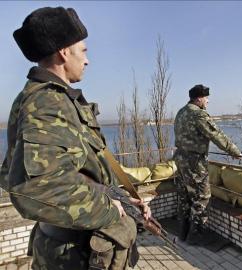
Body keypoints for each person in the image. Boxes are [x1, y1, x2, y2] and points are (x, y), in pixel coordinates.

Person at [0, 6, 150, 270]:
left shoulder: (53, 99)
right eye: (83, 51)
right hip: (74, 256)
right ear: (64, 51)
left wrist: (121, 198)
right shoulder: (46, 101)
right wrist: (111, 209)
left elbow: (79, 171)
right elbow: (36, 187)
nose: (87, 60)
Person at [173, 84, 242, 245]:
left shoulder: (181, 112)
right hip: (194, 162)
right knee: (202, 197)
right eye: (206, 98)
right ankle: (195, 236)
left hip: (180, 159)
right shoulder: (199, 115)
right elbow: (216, 134)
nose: (208, 101)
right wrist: (234, 151)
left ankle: (182, 232)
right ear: (199, 98)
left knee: (184, 196)